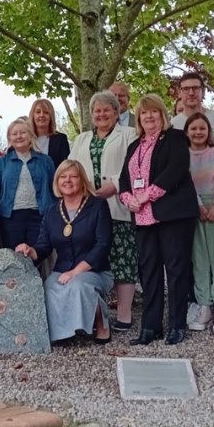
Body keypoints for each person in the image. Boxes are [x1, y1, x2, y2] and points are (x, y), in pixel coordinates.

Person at [119, 94, 198, 346]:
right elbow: (124, 180)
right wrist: (127, 198)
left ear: (162, 114)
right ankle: (150, 327)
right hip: (142, 219)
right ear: (139, 118)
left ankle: (177, 325)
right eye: (144, 113)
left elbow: (175, 170)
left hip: (172, 215)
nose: (149, 116)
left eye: (153, 111)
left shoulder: (174, 138)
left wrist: (144, 196)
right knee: (149, 272)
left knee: (176, 271)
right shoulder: (134, 146)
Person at [16, 160, 113, 344]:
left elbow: (103, 245)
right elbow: (43, 247)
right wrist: (30, 250)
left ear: (82, 180)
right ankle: (64, 333)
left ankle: (102, 325)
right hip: (63, 269)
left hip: (95, 270)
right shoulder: (52, 211)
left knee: (79, 285)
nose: (68, 180)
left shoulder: (98, 206)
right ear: (57, 181)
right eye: (63, 176)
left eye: (73, 176)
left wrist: (75, 272)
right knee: (50, 287)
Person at [69, 90, 138, 331]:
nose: (101, 114)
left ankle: (125, 314)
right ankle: (95, 312)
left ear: (116, 112)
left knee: (123, 259)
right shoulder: (82, 139)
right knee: (94, 258)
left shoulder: (128, 134)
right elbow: (72, 168)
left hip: (117, 205)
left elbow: (136, 166)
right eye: (97, 111)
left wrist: (116, 185)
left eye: (106, 109)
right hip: (89, 209)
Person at [185, 112, 214, 334]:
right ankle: (204, 305)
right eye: (193, 128)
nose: (198, 132)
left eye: (202, 128)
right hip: (195, 208)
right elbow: (185, 182)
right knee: (199, 259)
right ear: (187, 132)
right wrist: (197, 206)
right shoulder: (183, 155)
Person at [0, 119, 56, 252]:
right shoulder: (1, 162)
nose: (19, 136)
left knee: (37, 255)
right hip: (11, 217)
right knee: (14, 256)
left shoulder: (45, 160)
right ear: (9, 138)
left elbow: (54, 188)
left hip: (39, 215)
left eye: (23, 132)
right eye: (14, 134)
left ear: (31, 135)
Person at [171, 72, 214, 138]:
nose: (191, 93)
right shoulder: (172, 125)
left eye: (195, 88)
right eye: (186, 89)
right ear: (180, 93)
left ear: (203, 91)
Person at [29, 99, 70, 169]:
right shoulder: (26, 139)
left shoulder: (61, 139)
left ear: (51, 116)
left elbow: (64, 168)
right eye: (38, 112)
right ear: (32, 115)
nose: (42, 115)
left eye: (46, 112)